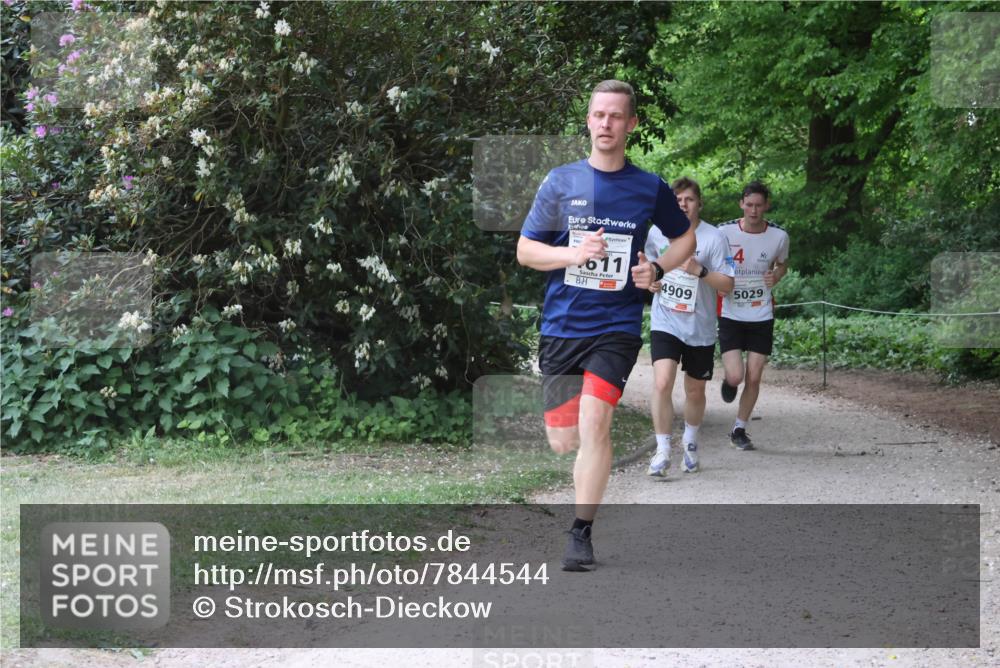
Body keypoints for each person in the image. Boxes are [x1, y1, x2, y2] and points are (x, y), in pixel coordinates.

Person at [516, 80, 695, 571]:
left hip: (615, 325)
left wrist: (657, 270)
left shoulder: (649, 187)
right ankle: (572, 468)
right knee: (564, 440)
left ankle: (580, 533)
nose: (606, 124)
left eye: (616, 116)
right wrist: (573, 254)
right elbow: (526, 251)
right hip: (561, 326)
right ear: (589, 121)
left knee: (597, 422)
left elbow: (685, 242)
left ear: (631, 124)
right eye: (599, 115)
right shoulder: (560, 181)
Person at [645, 178, 734, 476]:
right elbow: (648, 269)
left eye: (689, 200)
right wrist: (652, 281)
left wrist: (700, 271)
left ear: (699, 204)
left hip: (700, 326)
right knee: (662, 382)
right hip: (665, 320)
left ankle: (691, 444)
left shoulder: (714, 238)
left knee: (695, 391)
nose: (683, 205)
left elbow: (728, 285)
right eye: (678, 200)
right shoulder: (657, 232)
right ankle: (662, 449)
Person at [717, 181, 790, 450]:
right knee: (737, 376)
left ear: (766, 205)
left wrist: (776, 276)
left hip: (761, 313)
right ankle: (729, 380)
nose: (754, 211)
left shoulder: (779, 236)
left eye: (759, 205)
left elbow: (783, 264)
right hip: (731, 312)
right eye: (749, 205)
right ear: (741, 204)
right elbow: (710, 260)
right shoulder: (723, 232)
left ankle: (739, 428)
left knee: (755, 376)